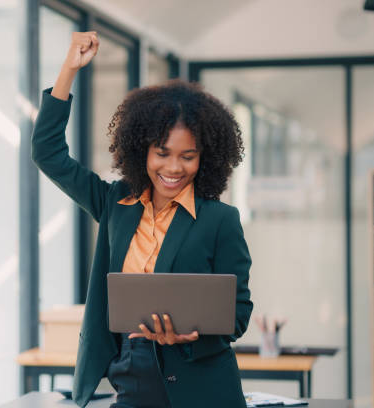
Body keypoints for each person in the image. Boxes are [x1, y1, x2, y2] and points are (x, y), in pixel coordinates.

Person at [32, 31, 253, 408]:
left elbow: (238, 312)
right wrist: (69, 68)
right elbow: (47, 152)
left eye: (188, 156)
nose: (173, 167)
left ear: (206, 158)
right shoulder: (116, 203)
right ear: (141, 150)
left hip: (201, 386)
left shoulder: (220, 219)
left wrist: (191, 335)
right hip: (132, 378)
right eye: (161, 152)